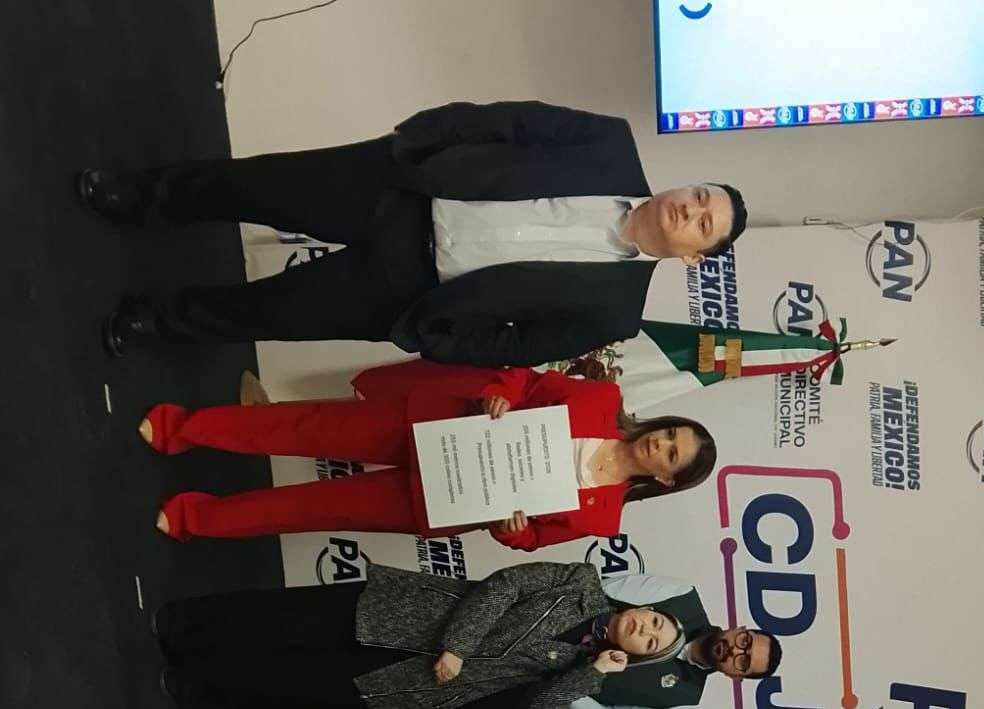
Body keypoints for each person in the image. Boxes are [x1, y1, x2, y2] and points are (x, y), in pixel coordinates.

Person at [79, 100, 747, 359]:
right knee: (254, 184)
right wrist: (423, 137)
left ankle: (157, 321)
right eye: (699, 196)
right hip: (400, 190)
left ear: (694, 256)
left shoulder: (615, 314)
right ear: (684, 185)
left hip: (409, 288)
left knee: (270, 313)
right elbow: (508, 121)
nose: (689, 211)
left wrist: (436, 336)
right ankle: (139, 196)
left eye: (703, 223)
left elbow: (516, 346)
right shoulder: (609, 143)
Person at [139, 362, 714, 547]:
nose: (659, 444)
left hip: (441, 499)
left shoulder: (603, 519)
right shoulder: (602, 400)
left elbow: (529, 539)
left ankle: (197, 519)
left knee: (309, 510)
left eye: (671, 455)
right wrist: (502, 394)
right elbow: (525, 381)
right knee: (300, 426)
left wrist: (511, 529)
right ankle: (182, 428)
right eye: (669, 434)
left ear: (666, 479)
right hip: (437, 427)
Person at [154, 560, 690, 709]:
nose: (645, 629)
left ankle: (199, 677)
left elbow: (535, 705)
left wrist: (592, 672)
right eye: (653, 620)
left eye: (652, 641)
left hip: (420, 682)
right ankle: (187, 623)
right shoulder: (581, 582)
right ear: (643, 606)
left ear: (638, 655)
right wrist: (458, 645)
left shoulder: (584, 669)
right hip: (418, 616)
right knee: (289, 619)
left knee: (301, 682)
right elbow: (506, 584)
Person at [468, 576, 784, 709]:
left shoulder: (682, 699)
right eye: (745, 641)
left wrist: (568, 685)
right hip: (525, 622)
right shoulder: (682, 595)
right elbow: (598, 592)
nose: (735, 650)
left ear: (736, 676)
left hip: (520, 690)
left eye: (743, 661)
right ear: (740, 628)